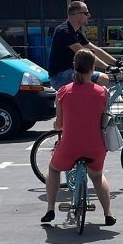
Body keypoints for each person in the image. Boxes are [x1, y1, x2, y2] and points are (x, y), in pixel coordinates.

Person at [41, 50, 115, 226]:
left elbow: (59, 124)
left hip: (70, 146)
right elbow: (103, 119)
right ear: (92, 67)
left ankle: (50, 209)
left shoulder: (63, 92)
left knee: (53, 170)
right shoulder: (103, 93)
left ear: (74, 66)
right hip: (95, 146)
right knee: (97, 176)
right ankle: (108, 214)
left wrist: (57, 126)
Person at [48, 0, 121, 91]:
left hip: (71, 73)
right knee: (103, 79)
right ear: (77, 15)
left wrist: (116, 62)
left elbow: (95, 49)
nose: (89, 16)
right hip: (60, 77)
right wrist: (108, 67)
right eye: (86, 13)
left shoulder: (76, 32)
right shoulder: (64, 31)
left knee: (100, 82)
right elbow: (86, 55)